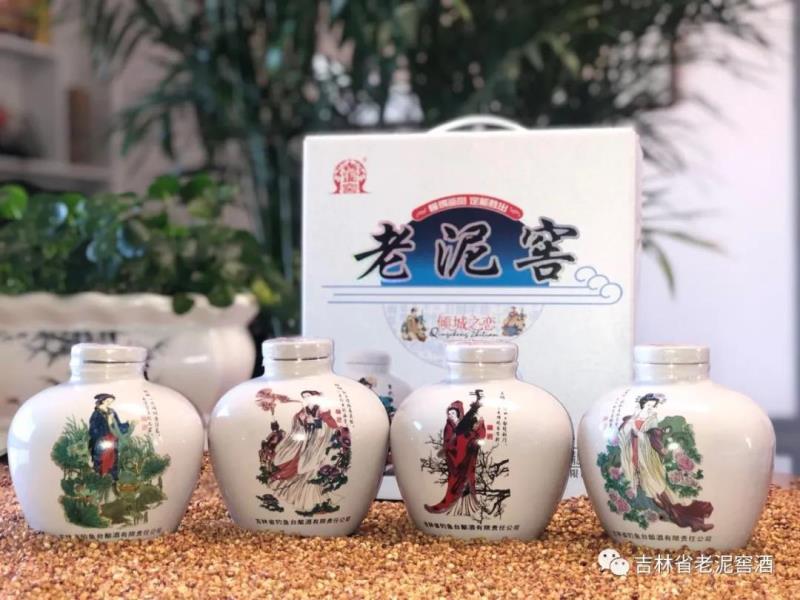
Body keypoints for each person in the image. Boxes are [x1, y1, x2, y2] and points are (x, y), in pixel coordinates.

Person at [618, 393, 713, 532]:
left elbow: (654, 437)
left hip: (648, 458)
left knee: (656, 485)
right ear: (642, 405)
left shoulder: (651, 419)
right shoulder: (630, 420)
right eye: (648, 405)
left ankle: (683, 517)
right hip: (633, 457)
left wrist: (657, 445)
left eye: (653, 406)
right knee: (647, 487)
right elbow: (624, 436)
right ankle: (678, 515)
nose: (650, 408)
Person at [266, 390, 341, 513]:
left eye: (308, 396)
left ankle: (309, 498)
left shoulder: (322, 408)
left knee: (309, 465)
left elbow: (329, 424)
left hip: (317, 441)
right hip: (307, 439)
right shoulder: (304, 410)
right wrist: (302, 421)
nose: (306, 399)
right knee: (297, 460)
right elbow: (297, 421)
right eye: (304, 397)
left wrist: (315, 422)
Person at [425, 393, 486, 516]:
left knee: (469, 477)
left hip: (467, 456)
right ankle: (449, 504)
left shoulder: (465, 423)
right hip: (455, 458)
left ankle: (473, 505)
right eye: (449, 413)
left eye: (453, 413)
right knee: (454, 481)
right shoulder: (449, 427)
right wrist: (453, 446)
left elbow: (476, 435)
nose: (451, 415)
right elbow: (448, 442)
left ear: (458, 413)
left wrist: (471, 438)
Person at [88, 393, 132, 483]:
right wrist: (106, 427)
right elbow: (93, 430)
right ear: (103, 401)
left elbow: (118, 426)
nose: (109, 403)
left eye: (111, 402)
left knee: (113, 460)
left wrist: (128, 424)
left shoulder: (112, 412)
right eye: (108, 401)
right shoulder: (96, 414)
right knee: (101, 460)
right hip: (101, 441)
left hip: (112, 440)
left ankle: (113, 480)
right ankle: (101, 480)